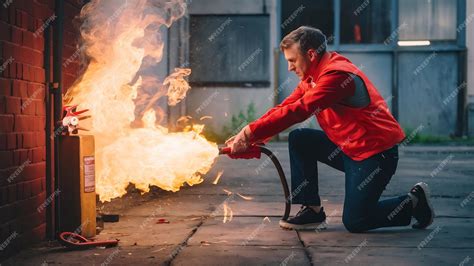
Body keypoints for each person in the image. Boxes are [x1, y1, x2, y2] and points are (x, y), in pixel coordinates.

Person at [225, 26, 434, 232]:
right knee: (299, 139)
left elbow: (300, 110)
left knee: (356, 221)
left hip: (375, 156)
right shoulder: (312, 77)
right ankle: (312, 212)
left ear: (311, 54)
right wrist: (252, 136)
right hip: (348, 149)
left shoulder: (337, 76)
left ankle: (414, 201)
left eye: (292, 60)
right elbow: (285, 107)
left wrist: (250, 133)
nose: (289, 67)